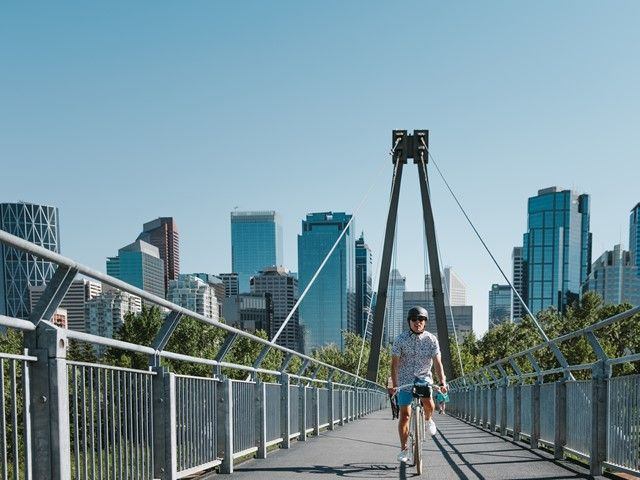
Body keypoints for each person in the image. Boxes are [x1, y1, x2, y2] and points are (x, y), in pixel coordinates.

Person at [389, 306, 448, 463]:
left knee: (429, 403)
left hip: (424, 378)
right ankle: (404, 450)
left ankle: (428, 419)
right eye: (414, 319)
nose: (417, 322)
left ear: (425, 322)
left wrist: (442, 381)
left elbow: (437, 363)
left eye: (421, 319)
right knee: (405, 415)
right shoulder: (400, 340)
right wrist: (394, 385)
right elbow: (394, 365)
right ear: (409, 321)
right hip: (405, 381)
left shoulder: (431, 340)